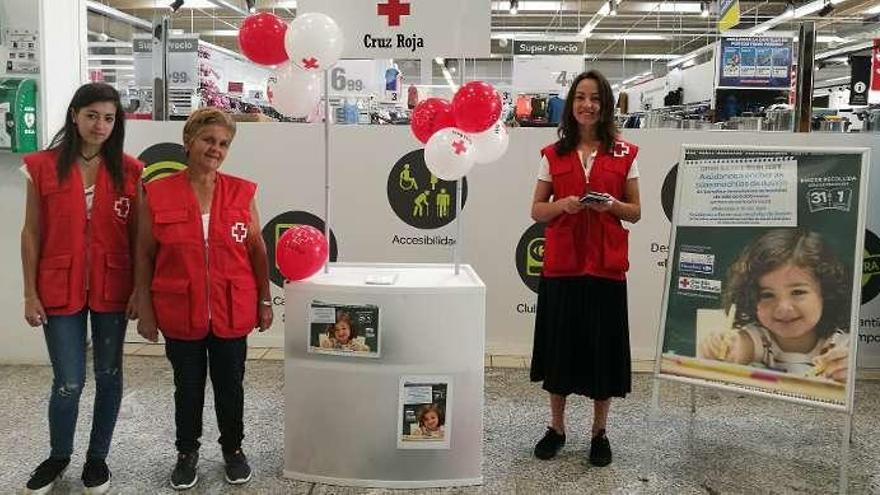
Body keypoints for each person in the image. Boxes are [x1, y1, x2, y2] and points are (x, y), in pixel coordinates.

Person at [135, 107, 273, 490]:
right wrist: (144, 307)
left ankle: (233, 450)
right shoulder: (158, 192)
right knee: (188, 386)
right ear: (189, 141)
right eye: (209, 140)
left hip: (232, 307)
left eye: (223, 143)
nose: (215, 149)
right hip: (180, 309)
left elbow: (257, 250)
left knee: (231, 385)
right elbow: (145, 254)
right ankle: (187, 453)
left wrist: (264, 299)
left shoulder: (242, 192)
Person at [20, 82, 142, 494]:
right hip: (58, 286)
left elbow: (139, 236)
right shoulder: (41, 166)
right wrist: (29, 292)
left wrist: (139, 289)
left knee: (109, 375)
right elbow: (32, 232)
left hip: (114, 285)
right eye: (92, 115)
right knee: (68, 382)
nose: (100, 125)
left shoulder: (129, 170)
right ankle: (58, 456)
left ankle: (97, 459)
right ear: (75, 115)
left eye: (109, 118)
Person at [529, 70, 641, 467]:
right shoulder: (552, 154)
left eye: (595, 98)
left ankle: (599, 433)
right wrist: (564, 205)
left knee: (601, 355)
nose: (587, 105)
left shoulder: (626, 154)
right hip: (563, 268)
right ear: (570, 103)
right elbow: (537, 209)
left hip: (606, 270)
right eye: (580, 97)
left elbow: (636, 211)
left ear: (605, 104)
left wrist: (610, 205)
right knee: (560, 352)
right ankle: (556, 428)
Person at [698, 229, 850, 382]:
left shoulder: (841, 345)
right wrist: (721, 346)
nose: (783, 307)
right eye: (767, 295)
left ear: (826, 292)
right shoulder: (761, 339)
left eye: (797, 292)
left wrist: (848, 370)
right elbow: (739, 348)